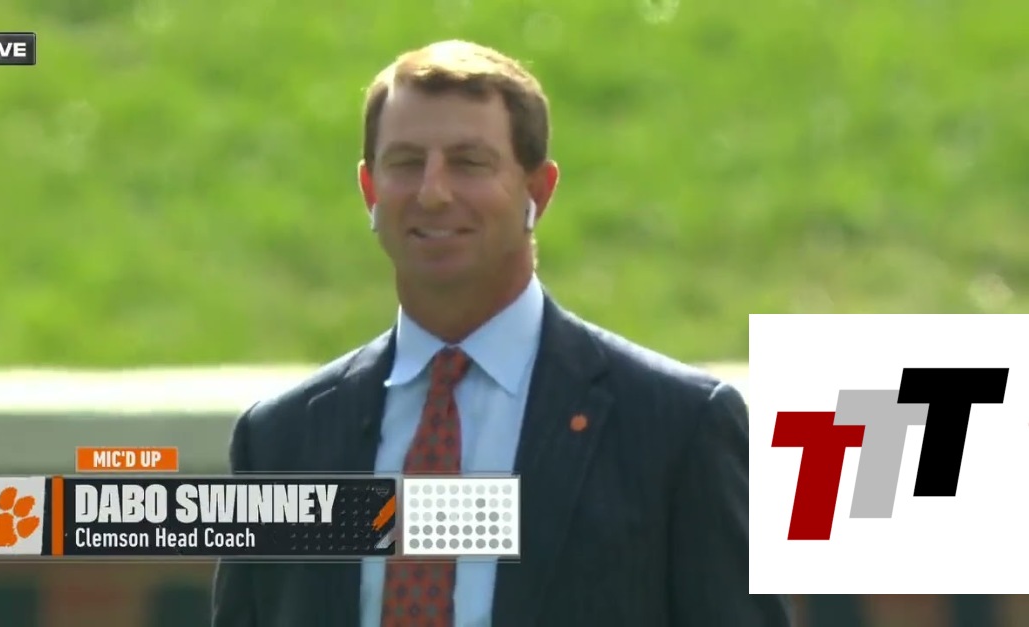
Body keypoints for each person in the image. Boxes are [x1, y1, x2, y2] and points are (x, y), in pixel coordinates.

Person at [212, 39, 793, 627]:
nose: (433, 192)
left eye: (469, 163)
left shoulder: (676, 428)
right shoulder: (283, 439)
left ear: (537, 192)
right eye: (406, 162)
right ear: (370, 191)